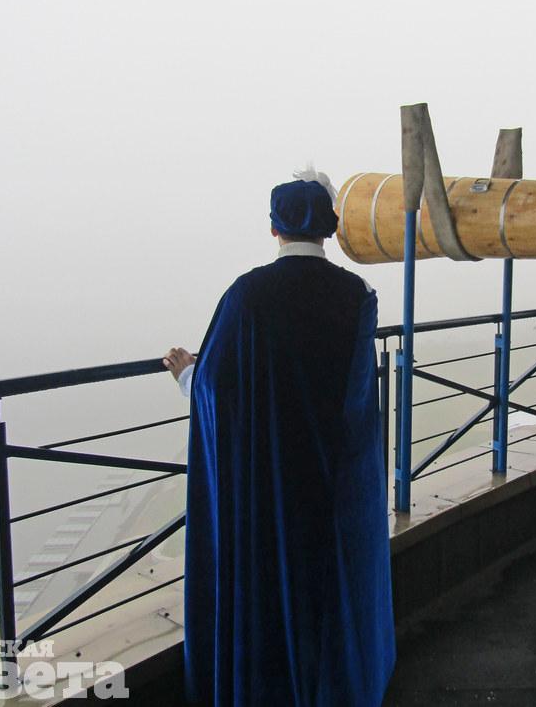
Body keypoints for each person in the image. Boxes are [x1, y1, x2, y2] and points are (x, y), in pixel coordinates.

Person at [162, 168, 395, 706]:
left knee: (272, 595)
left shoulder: (247, 295)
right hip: (335, 485)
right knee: (331, 592)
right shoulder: (358, 294)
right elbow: (356, 396)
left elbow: (216, 388)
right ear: (329, 228)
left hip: (271, 485)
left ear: (274, 229)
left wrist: (186, 374)